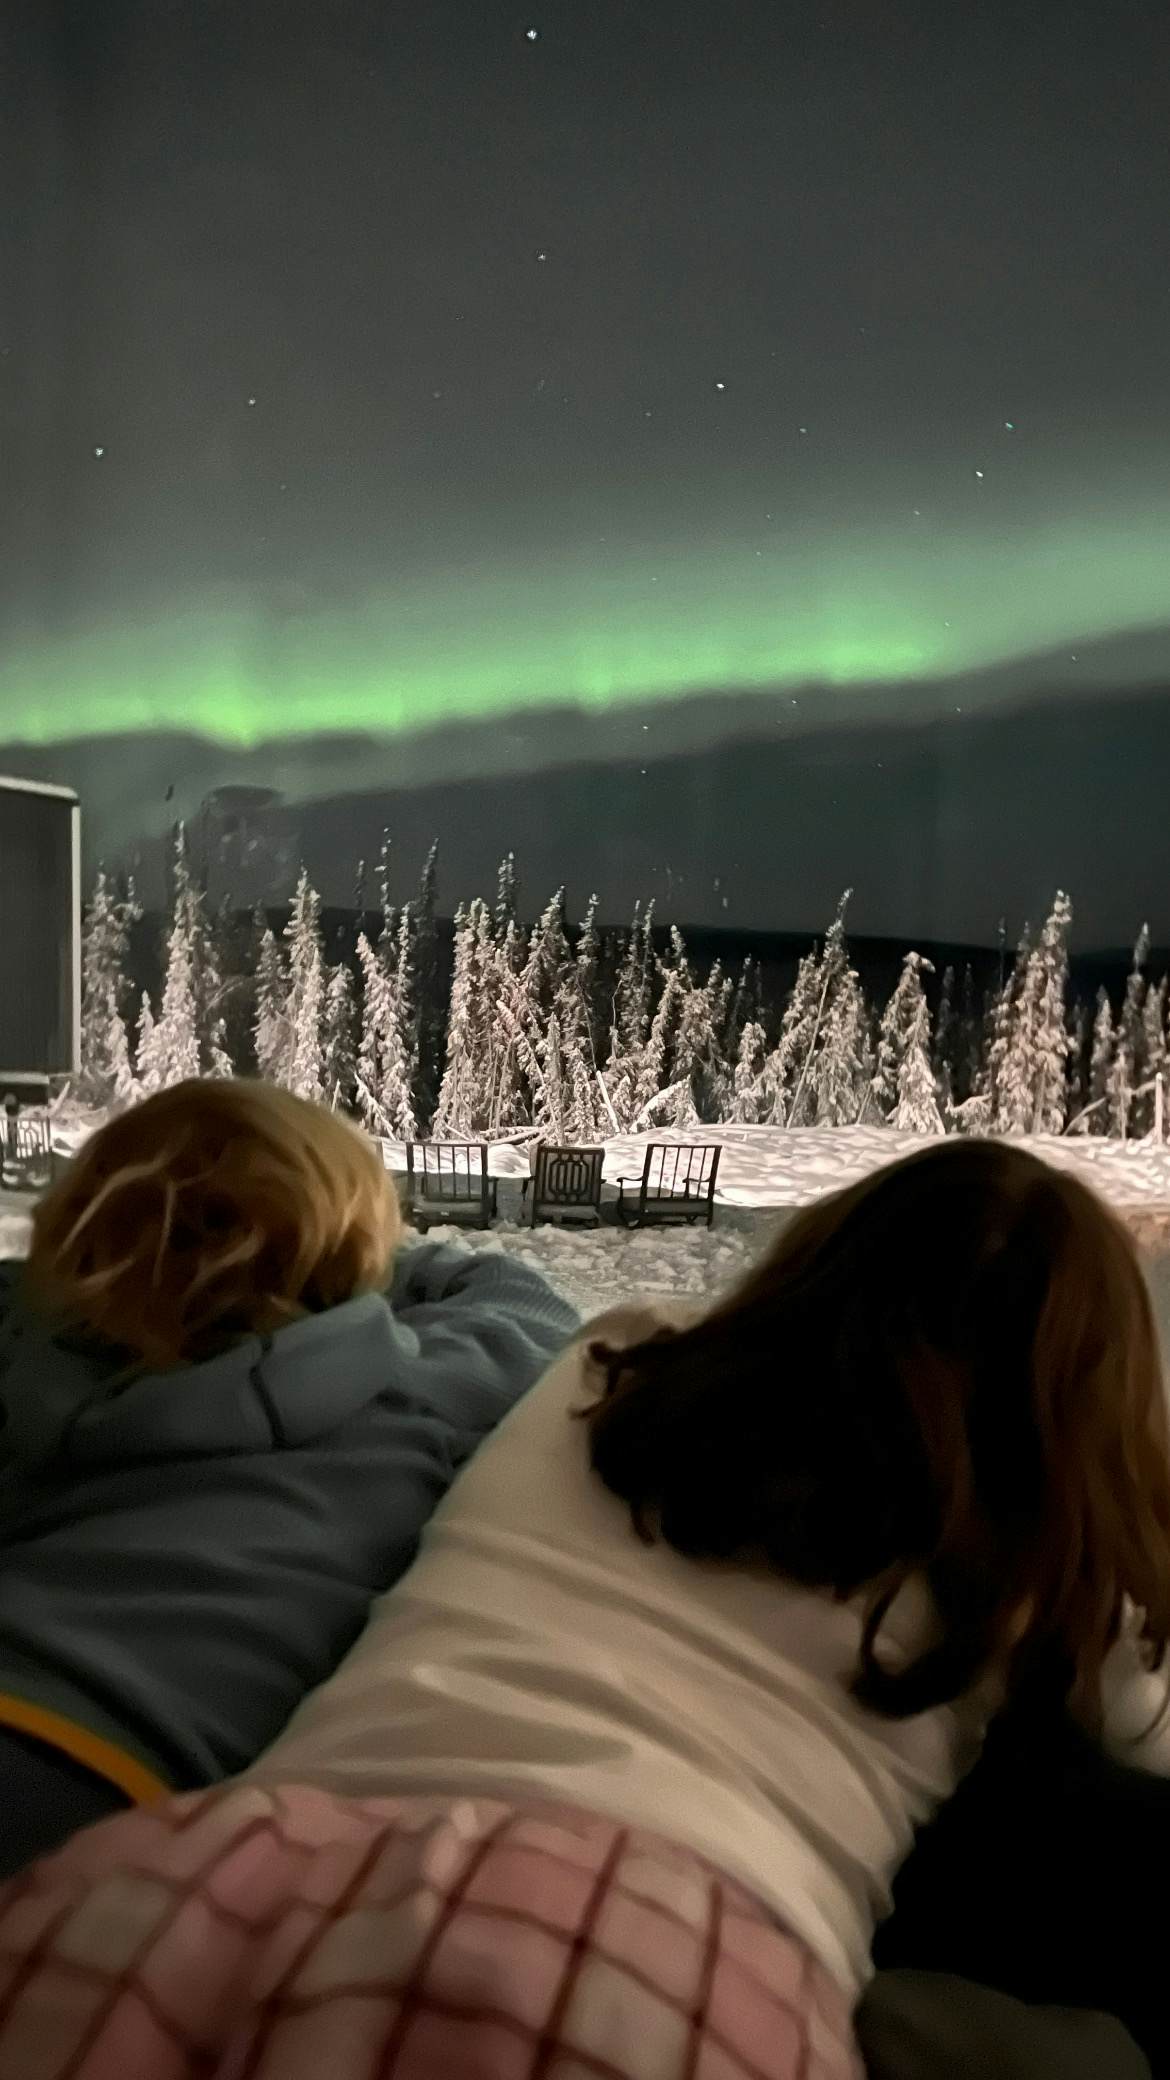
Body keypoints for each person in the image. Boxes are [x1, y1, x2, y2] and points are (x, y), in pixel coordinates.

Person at [0, 1138, 1168, 2080]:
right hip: (656, 1947)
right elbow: (1142, 1734)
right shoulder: (1044, 1552)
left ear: (819, 1257)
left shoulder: (621, 1357)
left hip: (241, 1857)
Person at [0, 1076, 578, 1877]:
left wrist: (152, 1250)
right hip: (108, 1778)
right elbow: (524, 1301)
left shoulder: (24, 1374)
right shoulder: (411, 1395)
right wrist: (318, 1248)